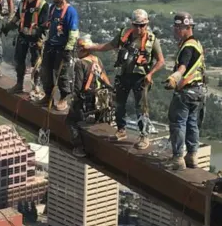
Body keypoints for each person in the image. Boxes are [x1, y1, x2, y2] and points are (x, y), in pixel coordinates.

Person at [89, 9, 165, 148]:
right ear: (132, 24)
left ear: (147, 25)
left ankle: (144, 136)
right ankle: (121, 129)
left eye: (142, 25)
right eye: (136, 25)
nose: (139, 28)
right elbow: (110, 45)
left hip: (140, 77)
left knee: (141, 107)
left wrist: (150, 74)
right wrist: (92, 47)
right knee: (119, 104)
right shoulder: (124, 34)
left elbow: (161, 61)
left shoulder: (152, 40)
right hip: (124, 74)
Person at [164, 12, 206, 170]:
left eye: (177, 28)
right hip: (198, 91)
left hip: (186, 92)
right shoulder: (197, 44)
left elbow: (183, 66)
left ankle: (178, 158)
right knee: (192, 123)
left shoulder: (188, 47)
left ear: (186, 28)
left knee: (178, 123)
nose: (175, 31)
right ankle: (192, 156)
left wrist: (174, 78)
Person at [36, 0, 79, 111]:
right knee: (46, 72)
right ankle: (48, 95)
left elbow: (73, 32)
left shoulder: (70, 11)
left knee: (62, 74)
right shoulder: (52, 9)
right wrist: (42, 28)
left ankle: (63, 97)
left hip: (63, 48)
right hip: (51, 45)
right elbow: (50, 23)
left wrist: (69, 48)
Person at [67, 35, 112, 157]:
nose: (76, 51)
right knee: (100, 121)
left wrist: (74, 102)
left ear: (83, 49)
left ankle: (79, 147)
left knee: (71, 120)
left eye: (78, 49)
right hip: (101, 98)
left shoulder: (80, 63)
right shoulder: (97, 60)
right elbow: (105, 79)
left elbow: (78, 85)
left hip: (88, 99)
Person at [2, 0, 49, 93]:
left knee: (36, 63)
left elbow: (44, 24)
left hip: (35, 39)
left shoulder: (43, 5)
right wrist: (8, 26)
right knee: (19, 61)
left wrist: (39, 34)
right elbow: (18, 17)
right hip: (23, 37)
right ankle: (19, 84)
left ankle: (35, 87)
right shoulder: (23, 3)